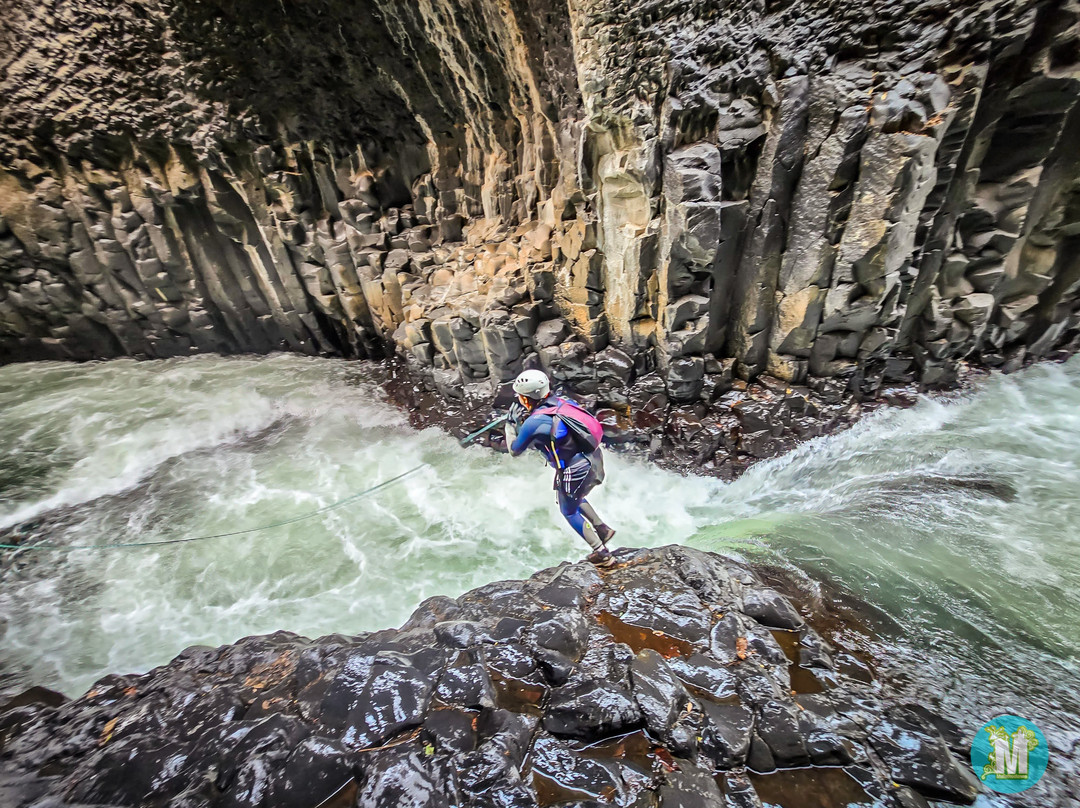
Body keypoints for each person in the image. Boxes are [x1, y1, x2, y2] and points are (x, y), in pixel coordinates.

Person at [505, 369, 617, 567]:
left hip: (575, 469)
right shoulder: (564, 403)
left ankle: (602, 554)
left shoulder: (535, 421)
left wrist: (510, 426)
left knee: (568, 511)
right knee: (573, 497)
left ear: (527, 397)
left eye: (521, 396)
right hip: (592, 458)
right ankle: (602, 528)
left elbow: (515, 450)